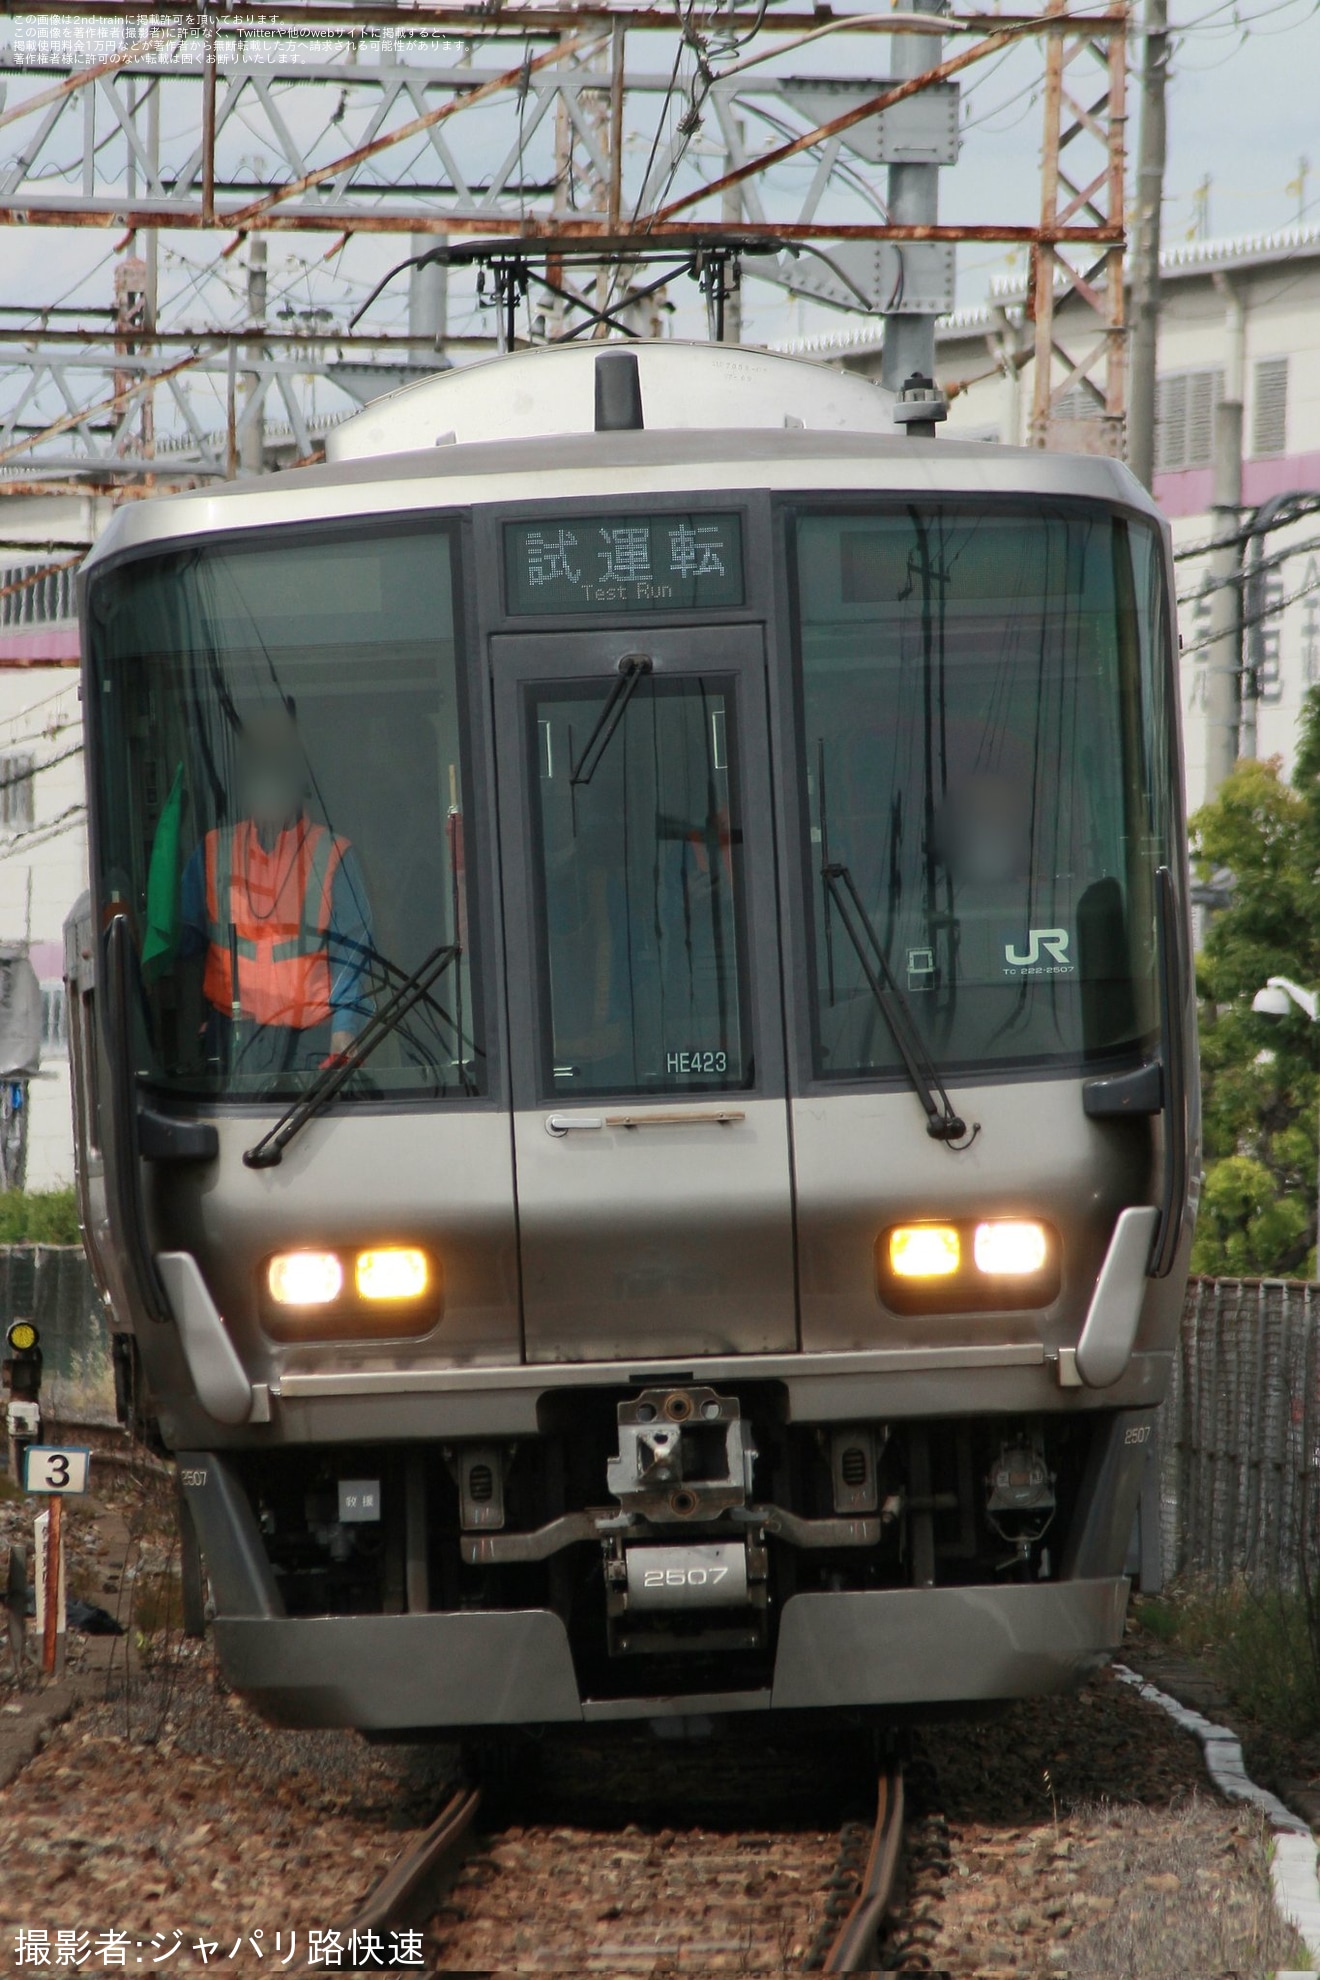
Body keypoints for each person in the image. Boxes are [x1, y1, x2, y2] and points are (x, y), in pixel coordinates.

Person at [178, 704, 372, 1077]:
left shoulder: (334, 855)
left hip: (312, 1045)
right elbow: (181, 949)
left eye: (277, 764)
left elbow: (354, 958)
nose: (267, 775)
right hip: (232, 1043)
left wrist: (344, 1032)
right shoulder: (213, 852)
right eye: (259, 764)